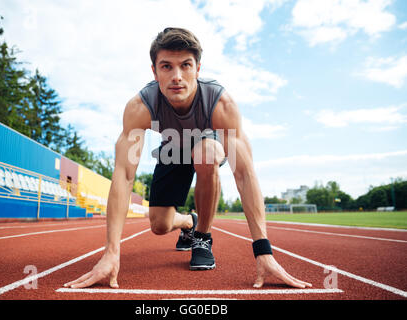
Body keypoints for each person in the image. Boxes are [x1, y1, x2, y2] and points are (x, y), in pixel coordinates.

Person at [64, 27, 312, 289]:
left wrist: (264, 251)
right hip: (172, 150)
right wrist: (111, 253)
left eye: (185, 65)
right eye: (166, 66)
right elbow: (124, 175)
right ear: (154, 71)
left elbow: (244, 174)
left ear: (198, 68)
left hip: (207, 145)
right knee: (159, 225)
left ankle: (202, 236)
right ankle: (189, 223)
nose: (177, 76)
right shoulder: (140, 107)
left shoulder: (220, 103)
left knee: (204, 153)